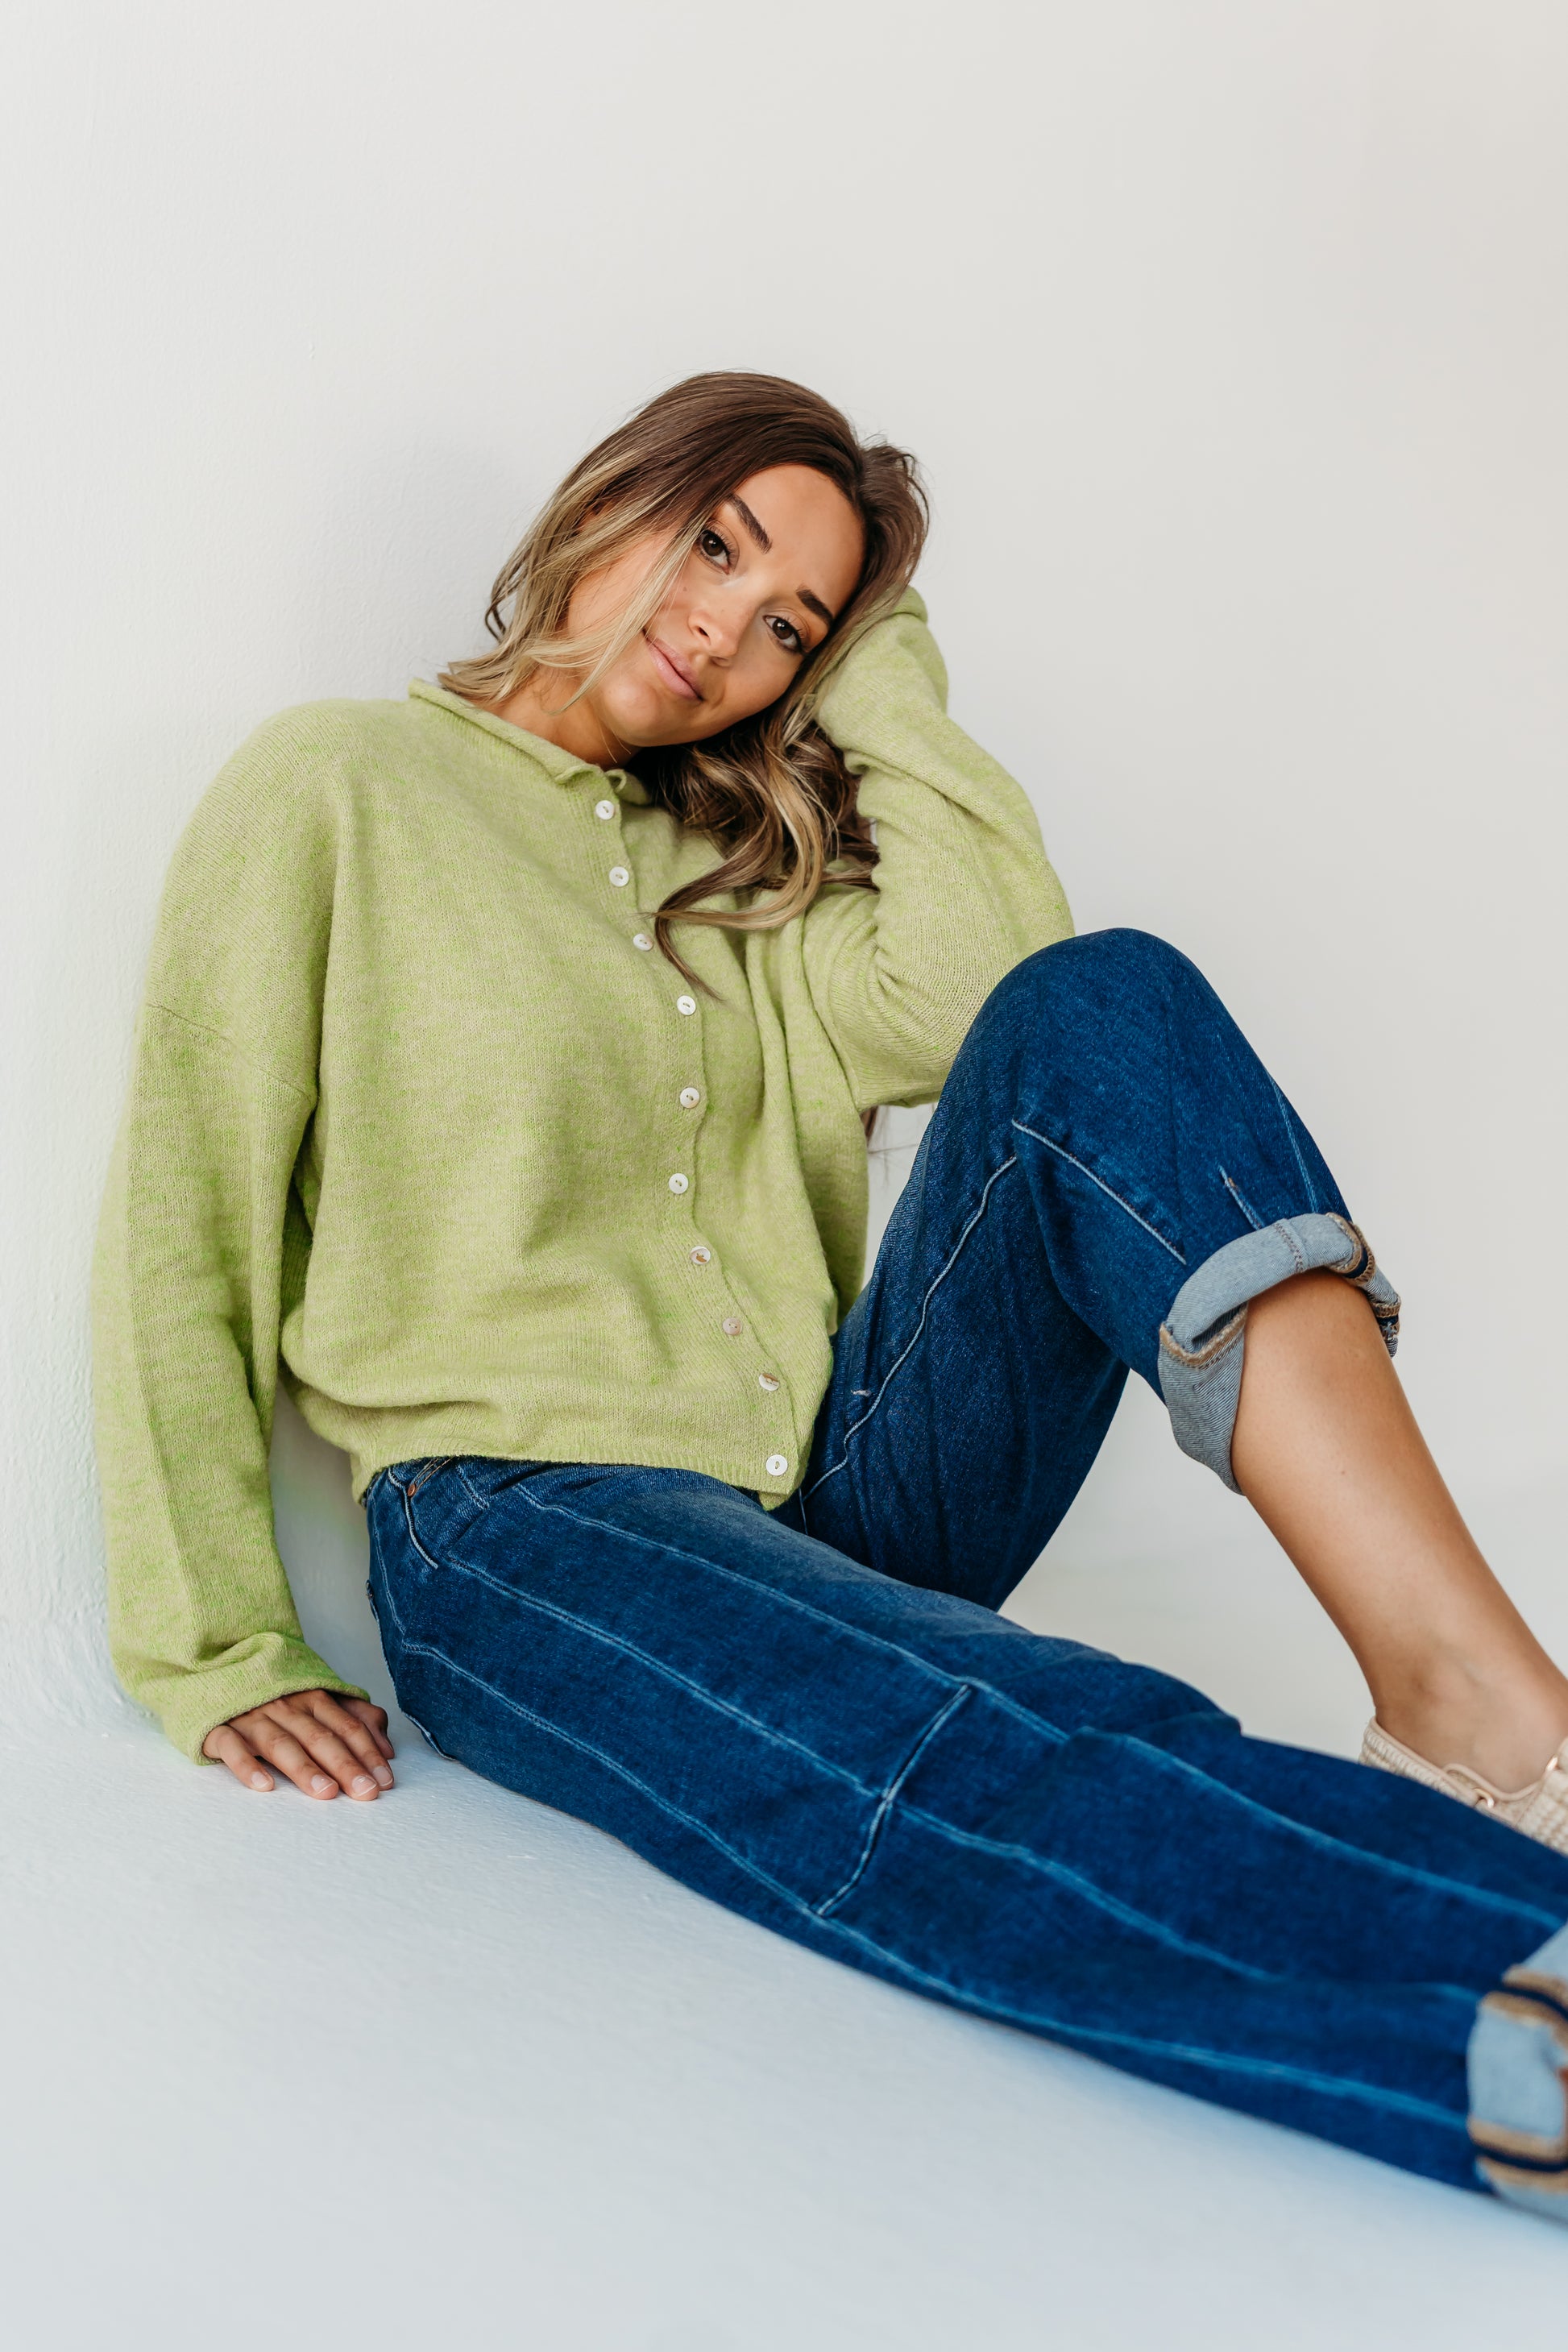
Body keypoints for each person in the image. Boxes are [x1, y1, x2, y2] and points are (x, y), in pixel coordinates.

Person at [93, 371, 1568, 2223]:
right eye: (715, 543)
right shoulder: (333, 785)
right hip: (523, 1524)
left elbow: (1000, 984)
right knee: (991, 1719)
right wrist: (215, 1643)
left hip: (840, 1488)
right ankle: (1507, 2009)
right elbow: (188, 1213)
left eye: (791, 620)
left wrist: (873, 656)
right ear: (607, 501)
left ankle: (1484, 1714)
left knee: (1106, 998)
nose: (728, 626)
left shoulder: (750, 883)